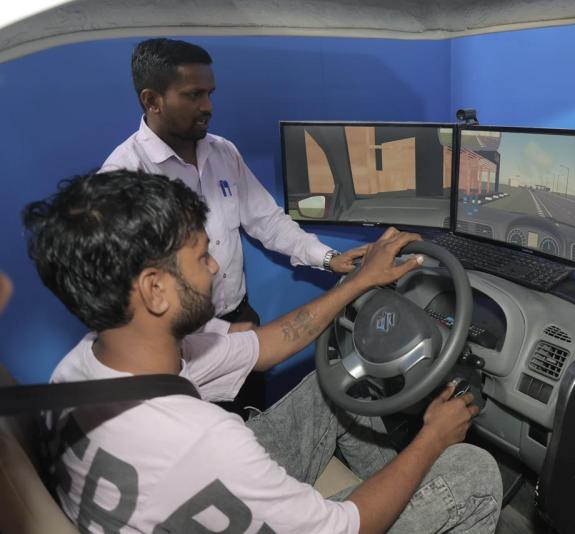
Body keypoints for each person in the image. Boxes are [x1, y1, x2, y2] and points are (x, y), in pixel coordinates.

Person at [24, 170, 502, 533]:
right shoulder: (207, 440)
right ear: (155, 290)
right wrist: (433, 438)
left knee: (333, 385)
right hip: (233, 490)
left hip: (178, 496)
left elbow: (268, 345)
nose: (216, 268)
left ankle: (399, 482)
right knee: (475, 471)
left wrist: (359, 281)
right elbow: (345, 528)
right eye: (202, 256)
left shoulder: (79, 368)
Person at [101, 37, 364, 330]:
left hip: (239, 317)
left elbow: (267, 221)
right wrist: (218, 336)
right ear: (152, 101)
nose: (208, 107)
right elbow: (124, 286)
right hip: (179, 336)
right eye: (194, 95)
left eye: (210, 94)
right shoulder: (124, 175)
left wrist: (329, 259)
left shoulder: (224, 152)